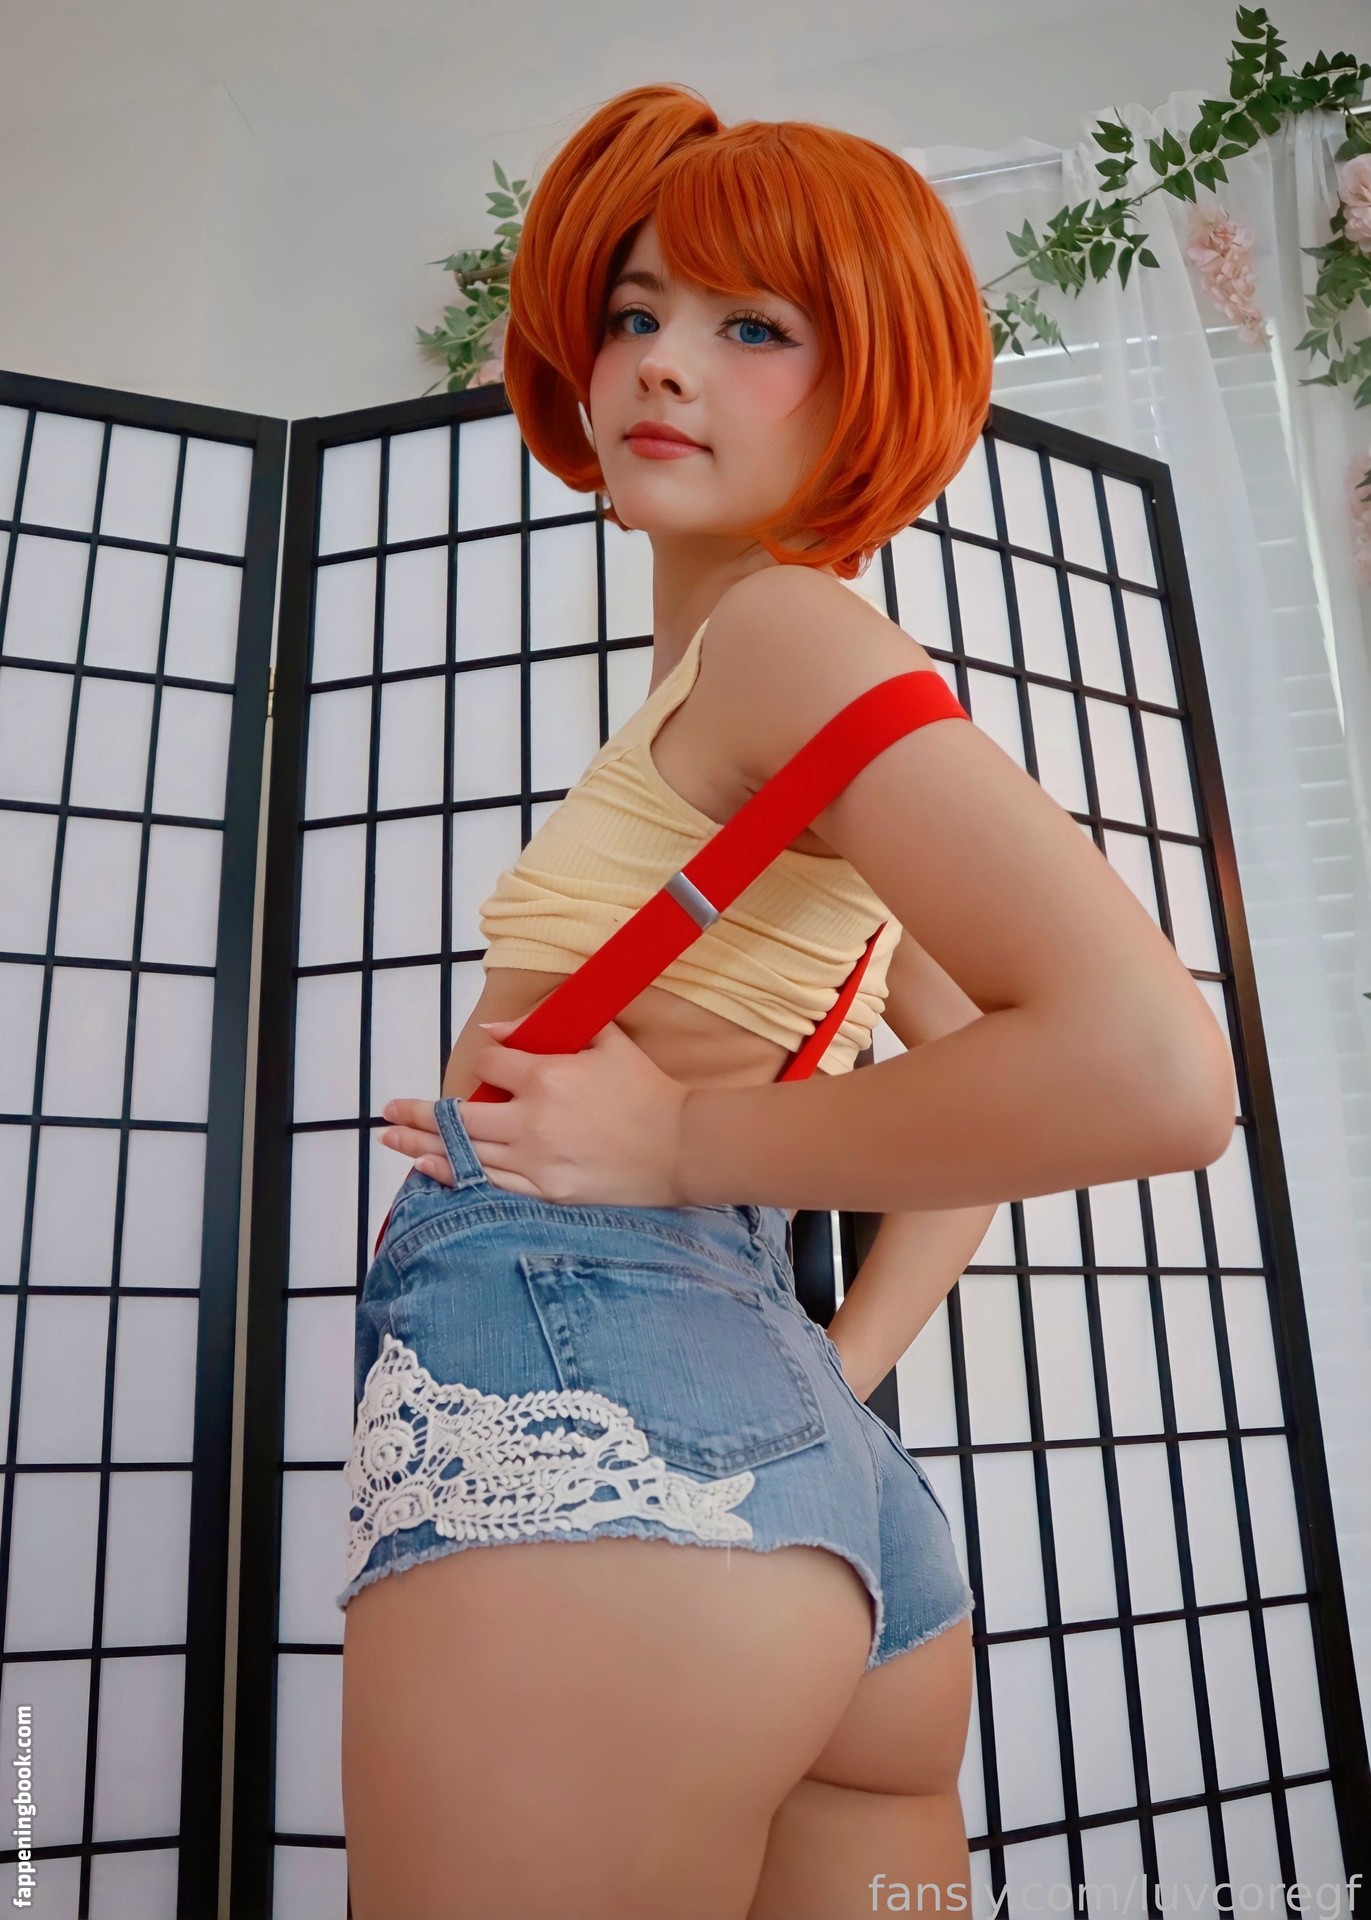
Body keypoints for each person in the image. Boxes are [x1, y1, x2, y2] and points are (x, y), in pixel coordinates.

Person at [336, 83, 1235, 1920]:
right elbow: (985, 1088)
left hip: (601, 1400)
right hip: (821, 1497)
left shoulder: (782, 635)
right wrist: (826, 1376)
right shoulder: (748, 697)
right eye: (638, 311)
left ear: (869, 380)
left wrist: (679, 1141)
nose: (665, 363)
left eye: (755, 326)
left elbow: (1153, 1073)